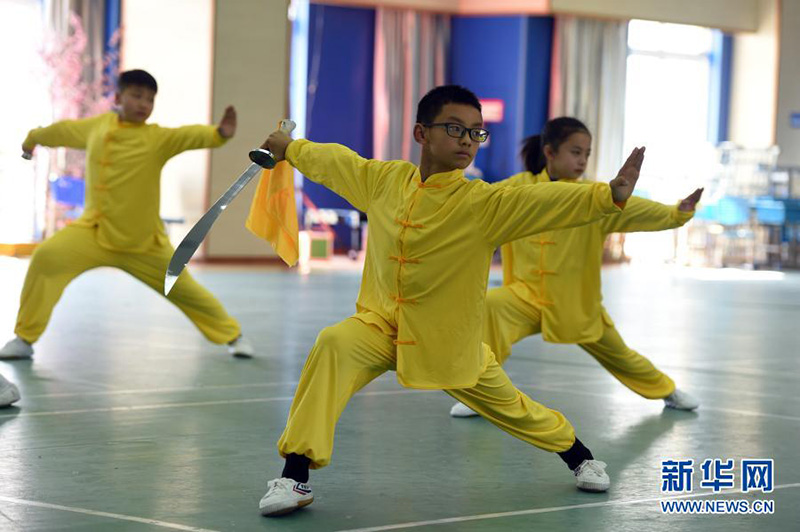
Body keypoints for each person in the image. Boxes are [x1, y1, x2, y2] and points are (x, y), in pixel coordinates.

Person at [255, 86, 648, 516]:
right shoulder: (383, 181)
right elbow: (337, 162)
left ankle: (579, 456)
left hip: (448, 343)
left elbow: (543, 199)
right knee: (334, 343)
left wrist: (607, 194)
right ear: (421, 133)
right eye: (456, 128)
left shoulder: (483, 203)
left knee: (515, 409)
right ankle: (295, 476)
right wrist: (290, 147)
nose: (467, 140)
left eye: (476, 132)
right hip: (379, 327)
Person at [450, 117, 701, 419]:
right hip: (523, 297)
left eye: (587, 154)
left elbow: (637, 210)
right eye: (575, 152)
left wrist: (676, 213)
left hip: (577, 305)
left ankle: (667, 390)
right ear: (550, 152)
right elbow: (478, 204)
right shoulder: (517, 190)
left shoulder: (598, 197)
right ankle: (480, 394)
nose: (582, 160)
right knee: (492, 308)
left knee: (620, 355)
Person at [0, 69, 254, 361]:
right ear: (118, 98)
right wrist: (32, 139)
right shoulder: (97, 128)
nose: (144, 104)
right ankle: (24, 339)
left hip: (143, 243)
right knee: (47, 258)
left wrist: (219, 133)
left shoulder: (158, 138)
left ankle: (233, 336)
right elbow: (63, 131)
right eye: (137, 96)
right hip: (92, 232)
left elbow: (187, 135)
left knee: (185, 290)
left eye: (150, 99)